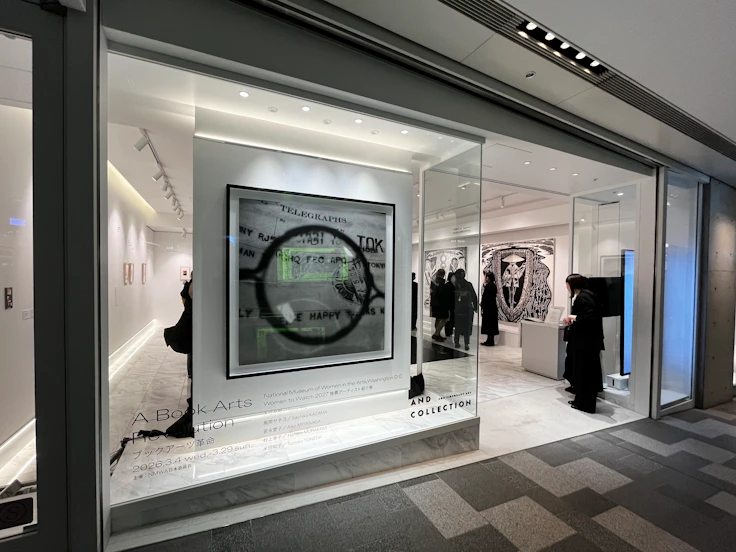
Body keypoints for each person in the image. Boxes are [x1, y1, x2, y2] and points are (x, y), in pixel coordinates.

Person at [562, 273, 604, 414]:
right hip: (589, 343)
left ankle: (585, 404)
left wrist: (573, 317)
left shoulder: (583, 297)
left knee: (584, 374)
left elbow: (589, 319)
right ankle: (581, 401)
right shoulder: (589, 295)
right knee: (585, 373)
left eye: (567, 285)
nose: (567, 288)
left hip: (585, 343)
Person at [452, 269, 477, 351]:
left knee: (458, 327)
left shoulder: (455, 285)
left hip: (459, 308)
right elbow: (474, 296)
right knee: (467, 327)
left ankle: (457, 342)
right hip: (467, 308)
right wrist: (475, 307)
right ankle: (466, 343)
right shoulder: (468, 284)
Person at [430, 269, 450, 341]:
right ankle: (436, 334)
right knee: (445, 319)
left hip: (434, 303)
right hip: (441, 304)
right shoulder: (442, 283)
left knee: (438, 319)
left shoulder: (433, 282)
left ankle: (437, 334)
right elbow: (442, 294)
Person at [480, 272, 499, 346]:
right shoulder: (493, 286)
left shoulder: (488, 286)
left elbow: (486, 297)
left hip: (488, 308)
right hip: (492, 308)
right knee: (491, 324)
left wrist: (482, 304)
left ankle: (490, 340)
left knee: (489, 324)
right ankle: (490, 340)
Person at [444, 271, 455, 339]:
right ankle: (448, 331)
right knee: (448, 319)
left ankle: (450, 331)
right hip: (448, 305)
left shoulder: (453, 285)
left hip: (452, 305)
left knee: (451, 318)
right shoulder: (448, 285)